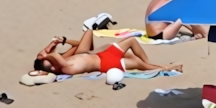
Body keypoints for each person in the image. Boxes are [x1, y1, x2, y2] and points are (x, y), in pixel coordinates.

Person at [32, 30, 181, 75]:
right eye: (50, 61)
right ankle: (167, 68)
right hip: (105, 63)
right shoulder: (64, 67)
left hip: (100, 55)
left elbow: (51, 56)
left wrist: (60, 41)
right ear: (52, 66)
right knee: (138, 64)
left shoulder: (63, 61)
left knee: (132, 41)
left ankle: (152, 64)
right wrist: (49, 52)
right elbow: (53, 56)